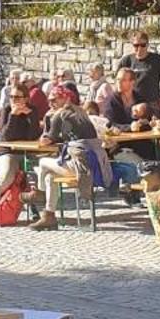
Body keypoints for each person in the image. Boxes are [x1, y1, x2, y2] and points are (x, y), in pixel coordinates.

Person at [32, 82, 102, 231]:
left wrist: (48, 120)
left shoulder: (60, 114)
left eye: (55, 99)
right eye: (49, 100)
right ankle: (49, 216)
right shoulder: (81, 112)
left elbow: (45, 141)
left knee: (43, 162)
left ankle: (39, 193)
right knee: (50, 177)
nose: (51, 103)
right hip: (95, 163)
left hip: (80, 165)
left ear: (66, 99)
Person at [0, 86, 42, 200]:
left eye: (17, 97)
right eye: (11, 97)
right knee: (7, 174)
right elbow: (5, 136)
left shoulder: (32, 110)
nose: (14, 100)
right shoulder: (7, 110)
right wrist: (13, 116)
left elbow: (33, 136)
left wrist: (31, 116)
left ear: (26, 99)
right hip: (7, 152)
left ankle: (36, 208)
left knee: (35, 176)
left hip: (27, 153)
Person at [116, 31, 160, 114]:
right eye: (136, 45)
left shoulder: (157, 60)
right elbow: (118, 82)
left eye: (143, 45)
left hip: (151, 106)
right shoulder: (127, 61)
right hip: (131, 106)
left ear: (147, 45)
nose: (139, 48)